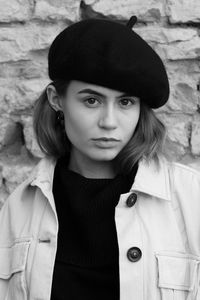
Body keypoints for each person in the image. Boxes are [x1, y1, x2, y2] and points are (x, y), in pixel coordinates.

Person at [0, 16, 200, 300]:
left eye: (125, 102)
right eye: (91, 100)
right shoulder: (19, 210)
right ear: (57, 99)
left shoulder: (190, 199)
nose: (109, 122)